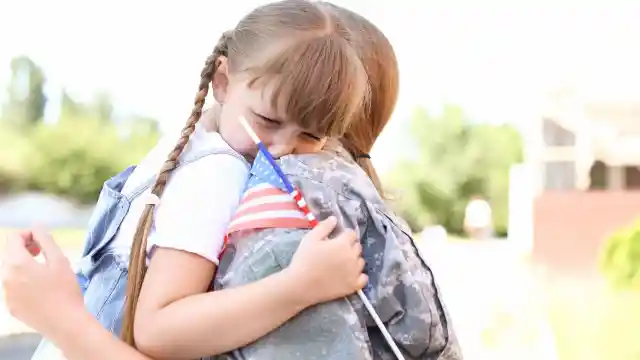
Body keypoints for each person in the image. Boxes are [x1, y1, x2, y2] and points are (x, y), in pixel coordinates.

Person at [2, 3, 462, 359]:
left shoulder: (197, 147)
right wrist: (297, 286)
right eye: (268, 119)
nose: (281, 148)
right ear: (223, 81)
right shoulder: (216, 174)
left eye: (310, 135)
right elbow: (159, 329)